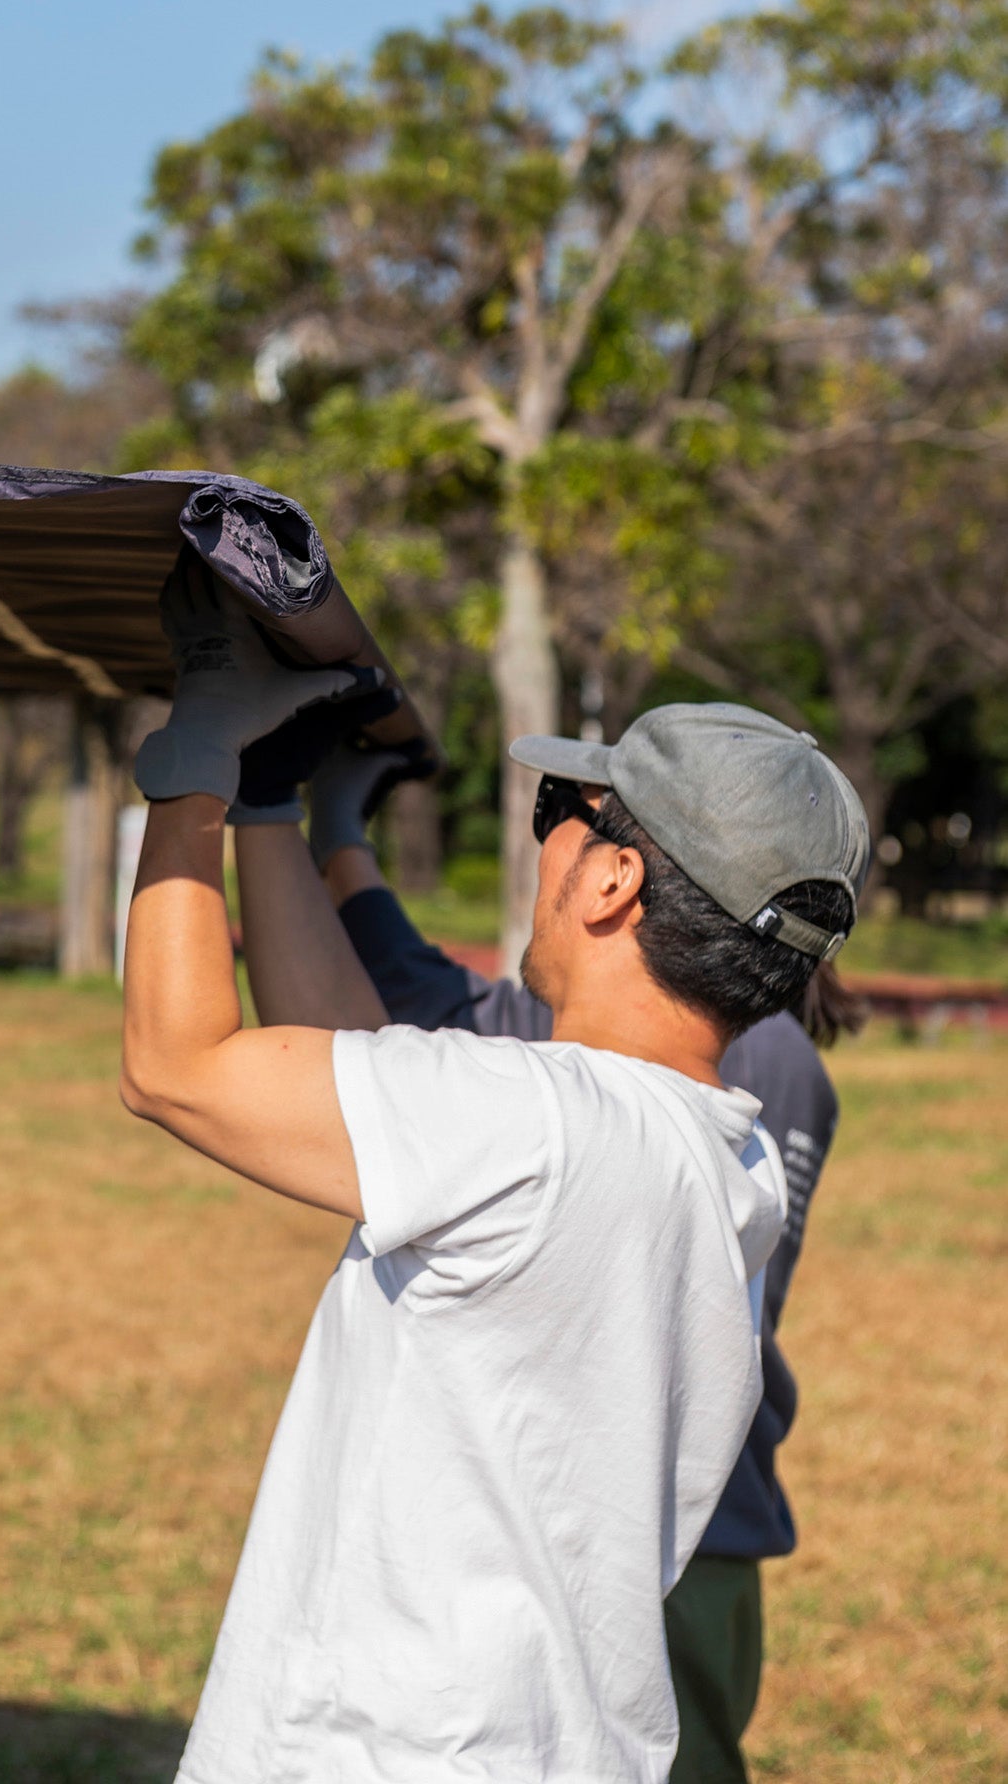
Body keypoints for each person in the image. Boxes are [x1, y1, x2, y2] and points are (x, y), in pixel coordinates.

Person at [121, 562, 870, 1783]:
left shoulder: (535, 1128)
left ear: (614, 880)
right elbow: (357, 1057)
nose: (548, 840)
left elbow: (174, 1066)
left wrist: (193, 762)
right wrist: (266, 809)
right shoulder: (719, 1156)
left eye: (560, 815)